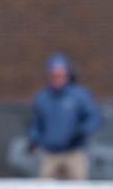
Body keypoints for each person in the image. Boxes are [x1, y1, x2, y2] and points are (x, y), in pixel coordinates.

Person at [27, 52, 102, 181]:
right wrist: (33, 139)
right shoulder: (42, 98)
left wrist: (81, 130)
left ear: (68, 74)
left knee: (78, 187)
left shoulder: (80, 95)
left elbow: (94, 117)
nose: (57, 78)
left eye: (61, 75)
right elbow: (37, 124)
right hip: (50, 153)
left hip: (74, 152)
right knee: (45, 188)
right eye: (53, 75)